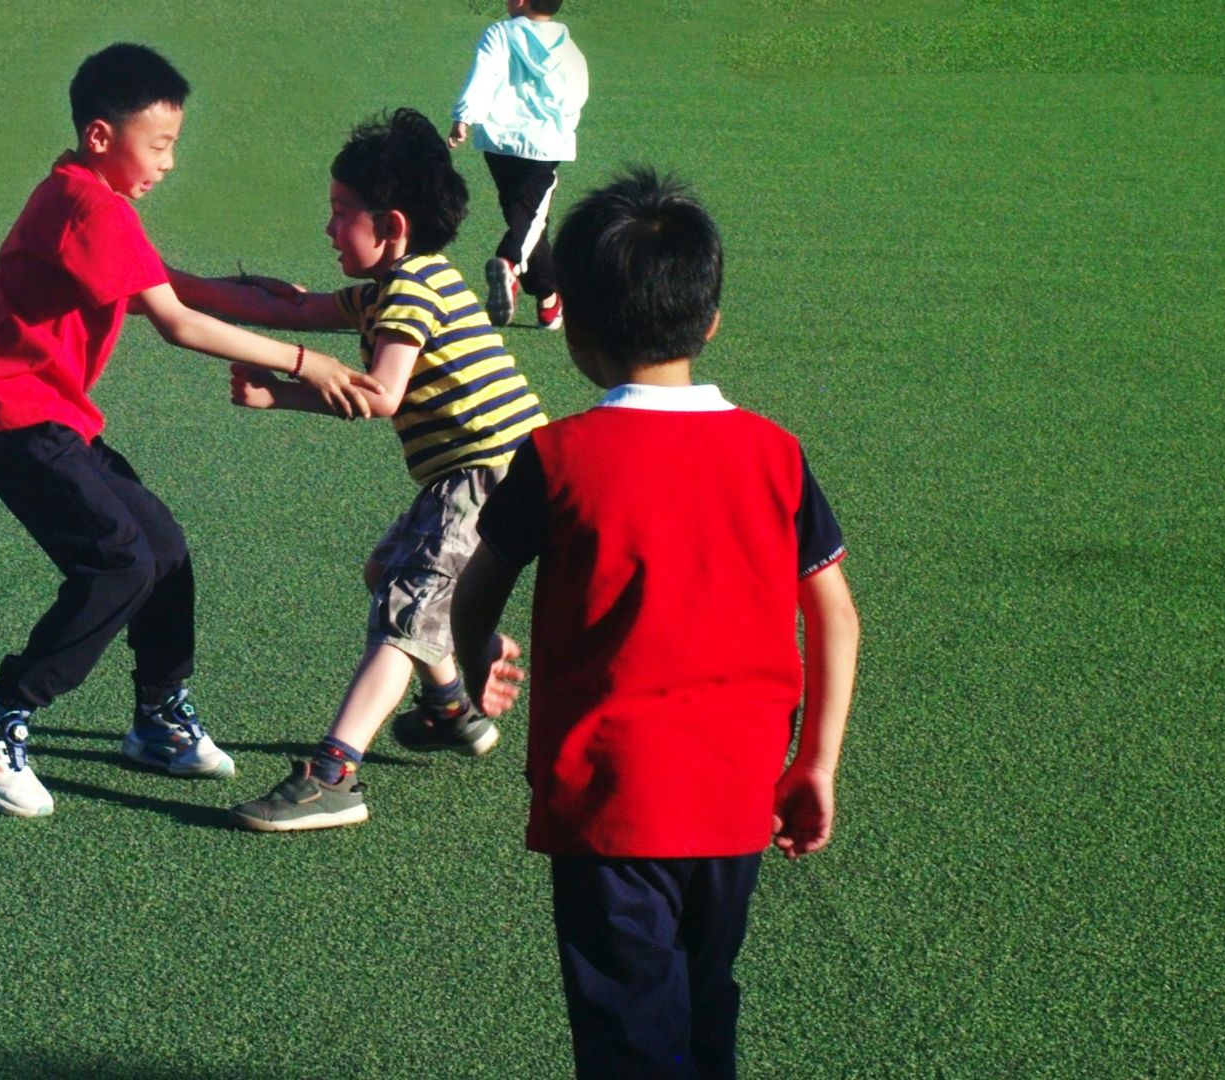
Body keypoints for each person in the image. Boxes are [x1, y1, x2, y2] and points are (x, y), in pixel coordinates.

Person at [450, 168, 861, 1079]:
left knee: (629, 1035)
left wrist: (478, 657)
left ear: (579, 336)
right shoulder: (775, 455)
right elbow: (833, 612)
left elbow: (476, 589)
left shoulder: (557, 457)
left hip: (610, 806)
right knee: (705, 1001)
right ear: (709, 320)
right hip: (737, 797)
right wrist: (817, 761)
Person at [0, 43, 384, 819]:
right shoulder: (86, 203)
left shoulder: (86, 196)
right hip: (12, 418)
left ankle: (156, 717)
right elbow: (176, 322)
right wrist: (303, 359)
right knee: (117, 562)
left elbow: (167, 284)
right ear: (103, 137)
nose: (170, 163)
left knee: (163, 549)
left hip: (53, 417)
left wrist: (256, 296)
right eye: (162, 145)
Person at [170, 108, 547, 831]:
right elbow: (290, 307)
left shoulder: (409, 291)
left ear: (393, 226)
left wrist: (284, 391)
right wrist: (167, 283)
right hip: (482, 471)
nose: (328, 228)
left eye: (342, 214)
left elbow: (381, 394)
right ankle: (449, 710)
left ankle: (335, 775)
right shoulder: (396, 285)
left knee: (406, 611)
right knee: (388, 573)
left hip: (487, 473)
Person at [447, 0, 589, 331]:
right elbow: (576, 96)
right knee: (529, 217)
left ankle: (548, 298)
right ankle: (508, 261)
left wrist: (463, 117)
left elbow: (483, 73)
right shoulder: (569, 49)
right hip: (544, 145)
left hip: (499, 144)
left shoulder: (499, 33)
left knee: (525, 217)